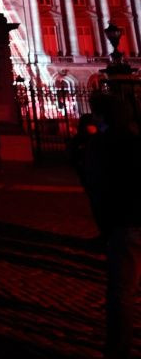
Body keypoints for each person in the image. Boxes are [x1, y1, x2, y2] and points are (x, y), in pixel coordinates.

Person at [81, 93, 141, 359]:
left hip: (124, 224)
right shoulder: (137, 143)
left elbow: (95, 188)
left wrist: (105, 228)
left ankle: (119, 350)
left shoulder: (101, 146)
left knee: (122, 291)